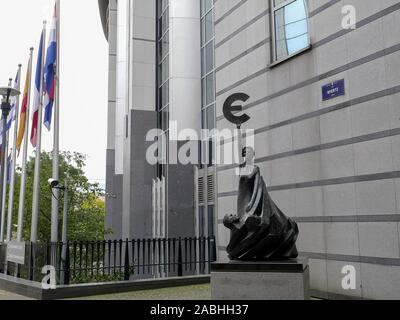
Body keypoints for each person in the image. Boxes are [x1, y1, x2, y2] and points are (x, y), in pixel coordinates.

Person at [223, 147, 299, 261]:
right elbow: (241, 187)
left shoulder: (255, 168)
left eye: (250, 153)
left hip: (253, 200)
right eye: (246, 153)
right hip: (244, 199)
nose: (249, 155)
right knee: (243, 225)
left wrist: (252, 204)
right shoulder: (241, 168)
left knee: (257, 221)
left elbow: (257, 187)